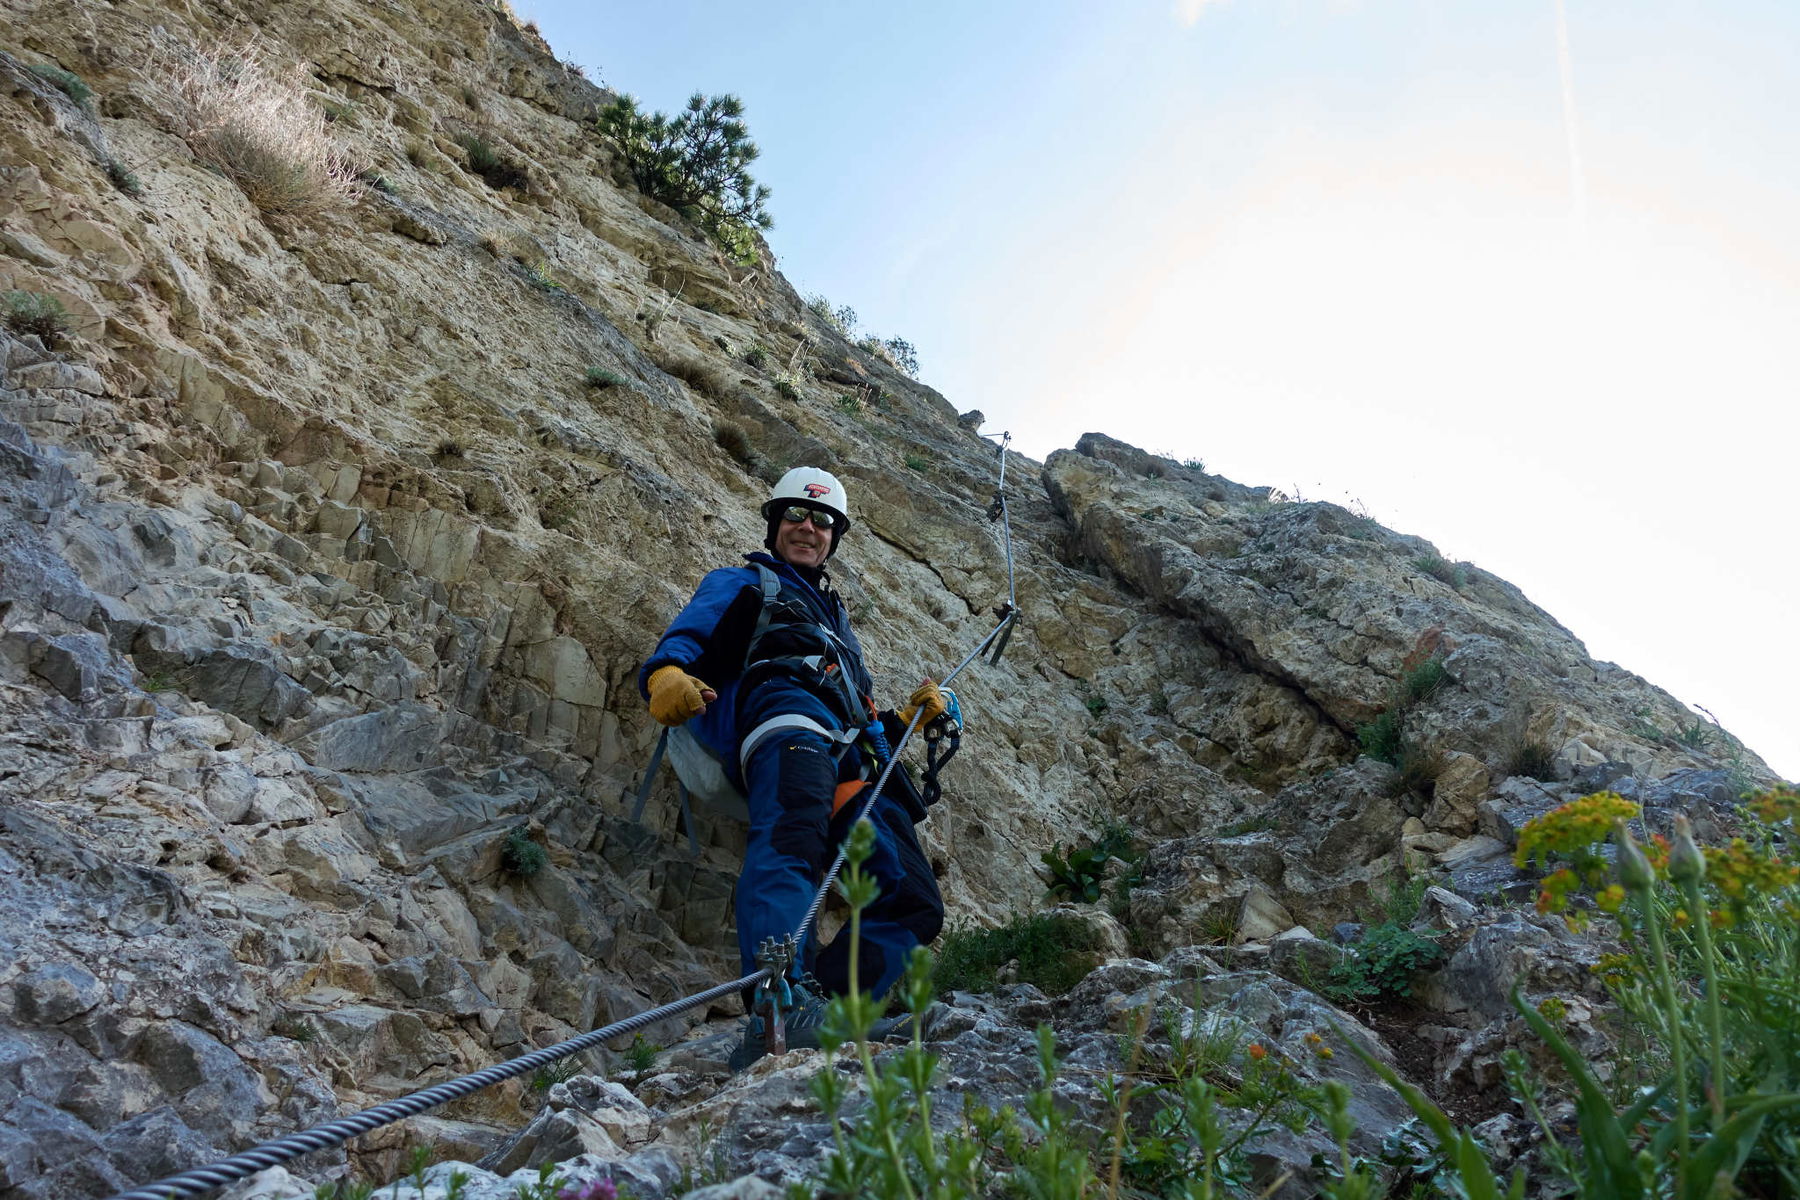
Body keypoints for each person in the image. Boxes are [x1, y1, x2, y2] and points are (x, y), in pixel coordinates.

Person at [638, 467, 947, 1067]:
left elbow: (858, 705)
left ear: (835, 536)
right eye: (797, 516)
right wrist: (663, 675)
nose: (810, 527)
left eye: (823, 521)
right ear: (775, 523)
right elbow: (688, 639)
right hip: (785, 718)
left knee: (913, 898)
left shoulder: (837, 623)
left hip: (851, 751)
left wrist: (905, 718)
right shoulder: (745, 582)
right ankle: (777, 1007)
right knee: (792, 841)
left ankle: (835, 1005)